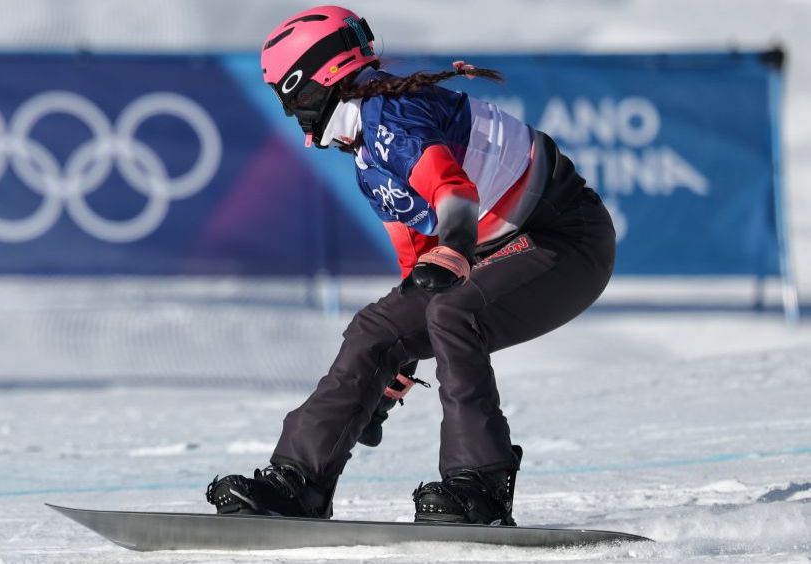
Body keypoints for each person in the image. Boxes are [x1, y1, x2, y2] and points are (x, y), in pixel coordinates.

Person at [206, 5, 615, 525]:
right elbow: (418, 269)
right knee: (374, 330)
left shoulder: (390, 120)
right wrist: (395, 360)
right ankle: (299, 482)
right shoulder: (367, 156)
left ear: (312, 82)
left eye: (289, 95)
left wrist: (455, 250)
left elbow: (454, 194)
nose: (292, 112)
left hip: (565, 240)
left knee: (454, 313)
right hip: (506, 244)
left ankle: (482, 487)